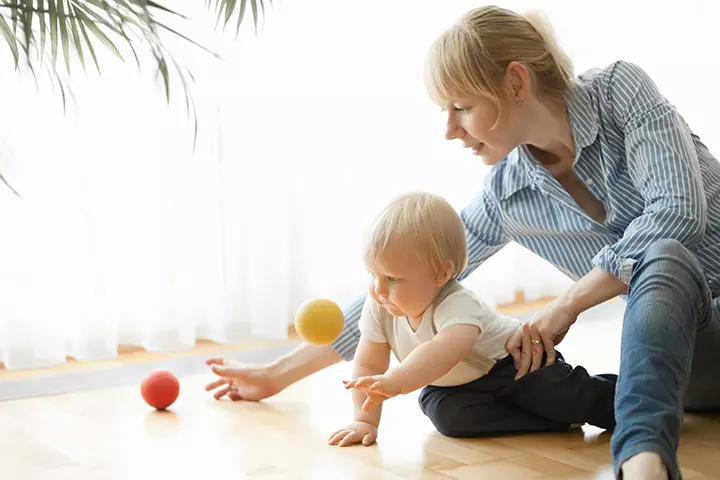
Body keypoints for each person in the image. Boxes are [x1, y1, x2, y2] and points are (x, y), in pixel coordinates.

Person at [205, 5, 720, 480]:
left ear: (515, 81)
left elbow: (676, 213)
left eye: (462, 106)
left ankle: (642, 458)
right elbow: (408, 282)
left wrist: (565, 306)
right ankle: (644, 464)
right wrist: (277, 374)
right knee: (657, 261)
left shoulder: (619, 92)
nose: (450, 129)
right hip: (696, 364)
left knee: (664, 253)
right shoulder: (507, 195)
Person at [326, 191, 616, 448]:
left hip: (516, 364)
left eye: (392, 278)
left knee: (570, 398)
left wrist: (396, 380)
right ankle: (555, 422)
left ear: (440, 274)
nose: (378, 289)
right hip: (457, 386)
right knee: (447, 417)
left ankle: (626, 397)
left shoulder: (455, 303)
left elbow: (445, 350)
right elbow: (368, 364)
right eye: (372, 274)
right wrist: (365, 421)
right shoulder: (379, 306)